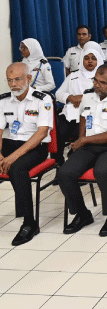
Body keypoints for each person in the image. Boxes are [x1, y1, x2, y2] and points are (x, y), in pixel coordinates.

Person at [58, 64, 107, 237]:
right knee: (64, 173)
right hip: (89, 146)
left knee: (103, 171)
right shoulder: (88, 96)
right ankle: (82, 213)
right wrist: (81, 140)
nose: (97, 85)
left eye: (102, 82)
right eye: (95, 80)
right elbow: (83, 118)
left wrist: (84, 140)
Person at [0, 63, 54, 245]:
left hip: (35, 147)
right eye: (9, 80)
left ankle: (29, 223)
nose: (13, 84)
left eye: (17, 79)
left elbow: (42, 133)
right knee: (11, 164)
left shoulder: (43, 99)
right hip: (10, 143)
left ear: (29, 78)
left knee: (17, 169)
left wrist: (12, 157)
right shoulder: (3, 100)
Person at [55, 42, 104, 165]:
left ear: (98, 60)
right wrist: (70, 97)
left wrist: (83, 98)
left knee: (80, 133)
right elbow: (58, 93)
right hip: (70, 113)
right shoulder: (73, 76)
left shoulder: (103, 77)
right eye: (86, 58)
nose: (90, 61)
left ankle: (76, 162)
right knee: (58, 132)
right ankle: (58, 162)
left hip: (90, 114)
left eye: (93, 58)